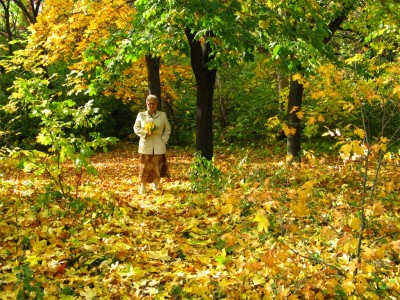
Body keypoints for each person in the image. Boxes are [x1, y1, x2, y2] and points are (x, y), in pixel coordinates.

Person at [133, 95, 171, 194]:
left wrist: (163, 139)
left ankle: (156, 185)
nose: (151, 105)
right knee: (144, 166)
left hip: (159, 145)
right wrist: (145, 133)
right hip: (145, 145)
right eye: (149, 103)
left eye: (154, 103)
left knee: (156, 166)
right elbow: (136, 128)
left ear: (157, 104)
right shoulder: (141, 115)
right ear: (146, 104)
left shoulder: (162, 115)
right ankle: (142, 187)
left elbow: (167, 129)